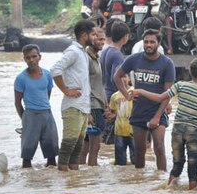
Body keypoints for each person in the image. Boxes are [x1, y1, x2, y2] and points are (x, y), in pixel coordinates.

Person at [134, 58, 197, 190]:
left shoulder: (180, 85)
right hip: (193, 131)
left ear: (189, 71)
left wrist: (141, 91)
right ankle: (192, 193)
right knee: (192, 164)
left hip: (177, 130)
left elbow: (160, 98)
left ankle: (169, 187)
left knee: (177, 162)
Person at [113, 29, 175, 171]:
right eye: (146, 42)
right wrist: (126, 94)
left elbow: (168, 93)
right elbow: (117, 76)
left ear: (159, 44)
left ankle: (161, 179)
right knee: (139, 151)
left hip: (157, 111)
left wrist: (157, 117)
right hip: (138, 112)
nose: (149, 45)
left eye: (152, 42)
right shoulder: (134, 59)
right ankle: (139, 182)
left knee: (159, 147)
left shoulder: (167, 63)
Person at [50, 20, 96, 171]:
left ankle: (73, 184)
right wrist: (65, 90)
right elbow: (55, 69)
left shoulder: (82, 52)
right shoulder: (73, 51)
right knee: (68, 146)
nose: (95, 38)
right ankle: (64, 180)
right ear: (84, 35)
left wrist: (88, 112)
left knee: (77, 148)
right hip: (72, 106)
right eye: (93, 34)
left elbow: (84, 82)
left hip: (82, 108)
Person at [14, 44, 58, 168]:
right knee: (27, 154)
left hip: (47, 114)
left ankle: (49, 183)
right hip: (30, 115)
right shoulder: (21, 78)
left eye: (34, 56)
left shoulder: (47, 75)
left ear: (39, 57)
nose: (31, 60)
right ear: (24, 59)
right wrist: (25, 120)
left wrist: (44, 109)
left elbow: (47, 94)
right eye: (28, 58)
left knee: (52, 153)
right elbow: (18, 102)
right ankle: (28, 181)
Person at [80, 26, 106, 166]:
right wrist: (88, 111)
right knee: (94, 147)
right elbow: (84, 85)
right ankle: (92, 179)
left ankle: (83, 176)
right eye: (98, 38)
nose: (101, 42)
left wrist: (106, 104)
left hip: (98, 104)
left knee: (86, 145)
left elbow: (99, 84)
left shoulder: (97, 58)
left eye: (103, 39)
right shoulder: (87, 59)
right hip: (92, 106)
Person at [107, 74, 135, 165]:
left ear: (129, 78)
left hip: (134, 131)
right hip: (119, 131)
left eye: (125, 77)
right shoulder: (114, 96)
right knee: (120, 163)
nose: (123, 79)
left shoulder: (135, 92)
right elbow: (113, 113)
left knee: (136, 161)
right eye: (120, 77)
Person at [101, 21, 130, 100]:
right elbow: (115, 78)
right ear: (125, 37)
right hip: (113, 96)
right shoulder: (117, 55)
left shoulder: (106, 50)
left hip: (104, 92)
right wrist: (125, 93)